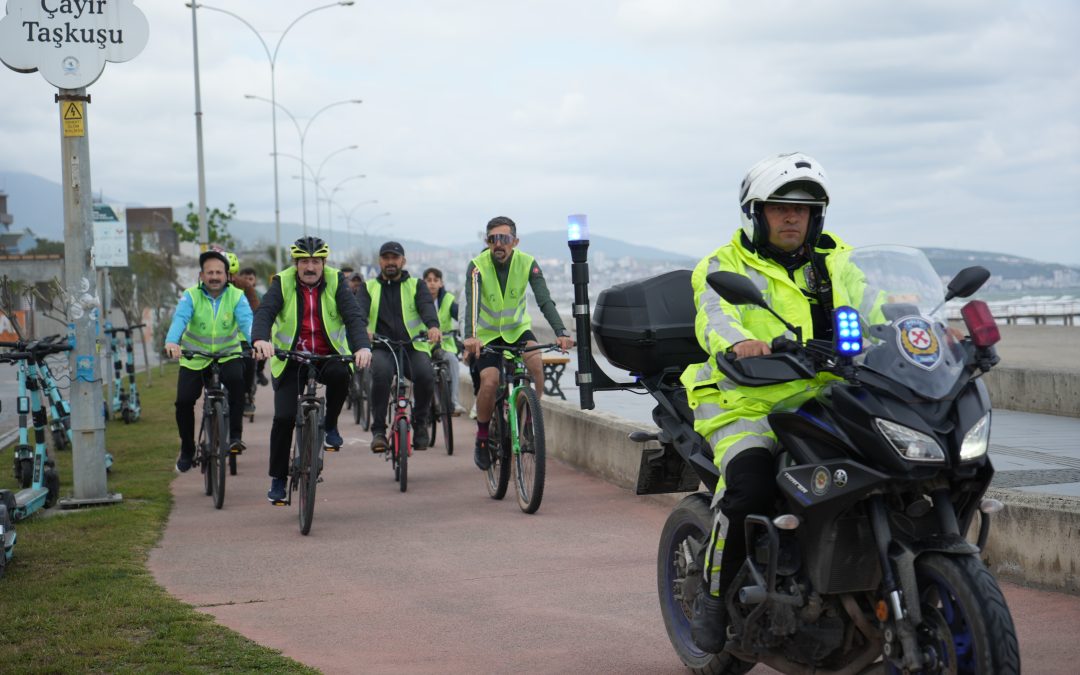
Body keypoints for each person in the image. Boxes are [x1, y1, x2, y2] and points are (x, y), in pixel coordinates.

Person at [682, 152, 865, 653]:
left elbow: (880, 304)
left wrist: (921, 326)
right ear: (757, 213)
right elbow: (715, 317)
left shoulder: (838, 262)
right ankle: (713, 599)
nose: (791, 218)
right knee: (750, 483)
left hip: (825, 399)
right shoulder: (725, 265)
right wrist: (739, 344)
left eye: (802, 210)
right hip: (744, 400)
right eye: (780, 208)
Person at [251, 236, 372, 503]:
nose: (310, 267)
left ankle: (329, 427)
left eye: (315, 261)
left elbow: (353, 317)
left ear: (323, 263)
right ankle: (279, 479)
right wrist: (260, 339)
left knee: (342, 374)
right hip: (291, 357)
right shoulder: (281, 282)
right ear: (296, 263)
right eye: (304, 261)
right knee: (283, 419)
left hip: (326, 355)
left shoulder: (337, 281)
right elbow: (265, 313)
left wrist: (362, 347)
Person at [462, 216, 574, 471]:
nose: (498, 244)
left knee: (536, 363)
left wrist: (561, 331)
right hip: (488, 335)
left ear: (515, 241)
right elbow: (473, 302)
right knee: (490, 381)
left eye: (504, 239)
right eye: (493, 239)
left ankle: (529, 420)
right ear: (487, 242)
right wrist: (471, 336)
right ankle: (481, 437)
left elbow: (544, 300)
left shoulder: (528, 263)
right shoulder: (477, 266)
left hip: (517, 329)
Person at [165, 250, 253, 473]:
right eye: (210, 272)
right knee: (183, 402)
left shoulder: (236, 296)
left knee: (236, 384)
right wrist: (172, 342)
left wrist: (258, 342)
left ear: (227, 275)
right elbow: (180, 320)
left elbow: (247, 323)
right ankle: (187, 449)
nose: (215, 276)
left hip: (228, 355)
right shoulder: (191, 296)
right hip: (195, 358)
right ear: (202, 275)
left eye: (219, 272)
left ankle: (234, 436)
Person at [356, 241, 441, 452]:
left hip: (412, 346)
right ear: (380, 261)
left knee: (426, 375)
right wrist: (362, 329)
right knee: (381, 375)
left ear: (403, 261)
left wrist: (433, 326)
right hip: (382, 347)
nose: (391, 262)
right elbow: (359, 313)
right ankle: (378, 431)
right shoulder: (369, 287)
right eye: (386, 258)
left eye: (395, 258)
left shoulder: (416, 285)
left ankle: (420, 423)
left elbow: (426, 307)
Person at [423, 267, 466, 415]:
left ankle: (453, 402)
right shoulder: (418, 299)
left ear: (441, 283)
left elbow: (459, 316)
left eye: (436, 280)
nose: (432, 284)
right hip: (423, 345)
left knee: (453, 361)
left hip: (444, 345)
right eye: (428, 280)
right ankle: (420, 402)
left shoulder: (447, 300)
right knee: (419, 367)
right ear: (423, 283)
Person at [226, 254, 260, 414]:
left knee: (249, 364)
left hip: (242, 338)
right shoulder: (203, 289)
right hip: (218, 341)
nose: (228, 279)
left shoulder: (245, 287)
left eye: (231, 274)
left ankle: (247, 394)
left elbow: (256, 311)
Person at [237, 266, 270, 386]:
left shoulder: (260, 296)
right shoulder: (235, 294)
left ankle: (260, 371)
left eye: (250, 279)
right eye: (244, 279)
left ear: (255, 281)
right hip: (237, 334)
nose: (247, 282)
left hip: (254, 329)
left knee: (263, 347)